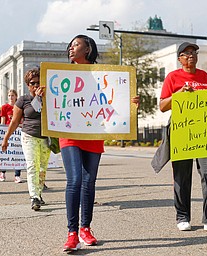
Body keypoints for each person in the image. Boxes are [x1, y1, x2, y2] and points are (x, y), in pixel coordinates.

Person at [62, 35, 139, 252]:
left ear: (87, 49)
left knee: (89, 181)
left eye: (75, 44)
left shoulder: (103, 74)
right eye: (70, 45)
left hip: (93, 134)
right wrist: (41, 97)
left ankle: (85, 229)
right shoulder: (61, 75)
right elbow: (47, 106)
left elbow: (114, 100)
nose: (71, 47)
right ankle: (72, 233)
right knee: (75, 179)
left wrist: (131, 104)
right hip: (69, 134)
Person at [159, 42, 207, 232]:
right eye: (186, 54)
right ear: (179, 58)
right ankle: (182, 216)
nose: (191, 56)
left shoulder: (204, 76)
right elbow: (162, 106)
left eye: (194, 53)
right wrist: (178, 94)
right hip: (182, 132)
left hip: (204, 132)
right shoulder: (172, 77)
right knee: (182, 175)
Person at [1, 68, 51, 211]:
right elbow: (15, 122)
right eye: (32, 83)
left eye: (38, 83)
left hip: (45, 137)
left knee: (42, 168)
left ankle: (39, 193)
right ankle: (34, 197)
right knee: (32, 166)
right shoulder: (23, 100)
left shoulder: (50, 97)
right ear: (28, 85)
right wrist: (6, 139)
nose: (36, 86)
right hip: (29, 136)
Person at [0, 89, 22, 183]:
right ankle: (3, 172)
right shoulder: (4, 107)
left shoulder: (19, 107)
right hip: (8, 131)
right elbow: (3, 121)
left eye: (12, 95)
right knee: (5, 152)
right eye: (9, 95)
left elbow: (21, 120)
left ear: (16, 96)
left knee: (17, 153)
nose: (11, 97)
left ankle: (17, 175)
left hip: (17, 132)